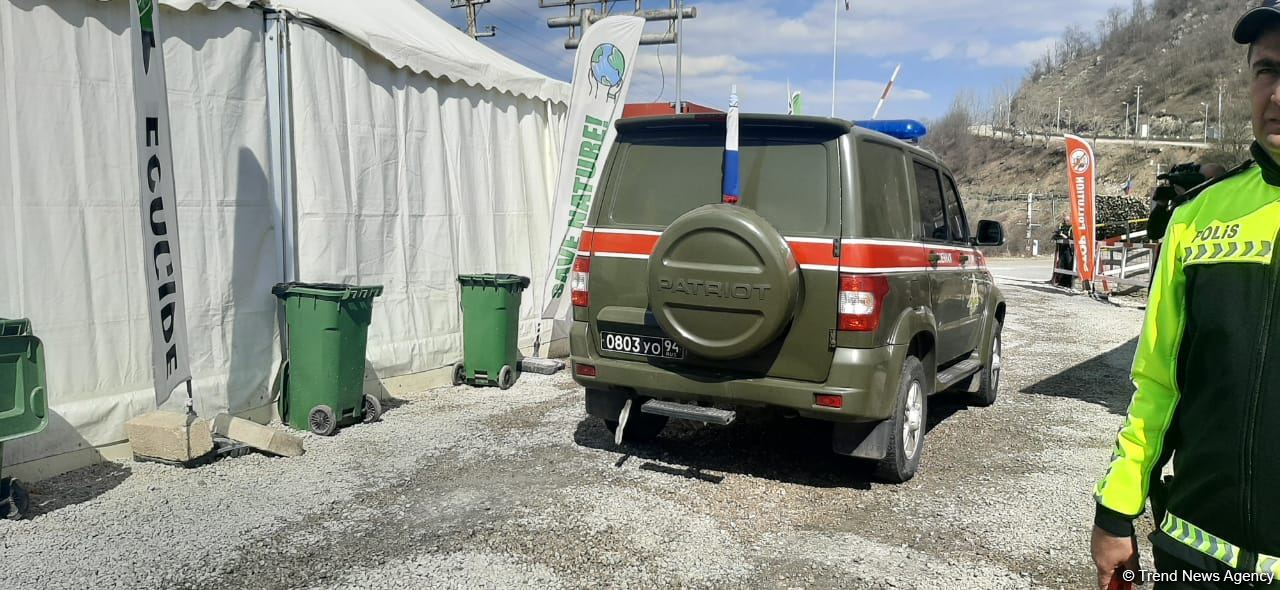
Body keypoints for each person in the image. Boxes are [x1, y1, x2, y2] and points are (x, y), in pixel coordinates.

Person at [1091, 3, 1280, 589]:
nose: (1277, 95)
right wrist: (1116, 510)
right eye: (1267, 70)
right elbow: (1158, 384)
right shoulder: (1196, 217)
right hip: (1196, 559)